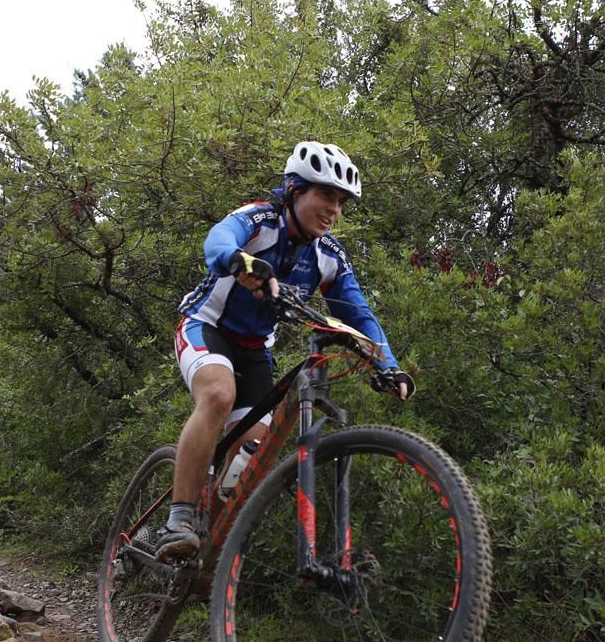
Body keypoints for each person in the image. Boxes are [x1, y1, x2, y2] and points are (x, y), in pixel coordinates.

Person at [158, 141, 414, 560]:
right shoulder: (260, 220)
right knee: (219, 395)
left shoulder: (328, 256)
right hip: (205, 328)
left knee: (252, 458)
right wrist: (240, 261)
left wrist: (387, 364)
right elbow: (219, 239)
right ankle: (179, 518)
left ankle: (208, 554)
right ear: (295, 191)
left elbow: (359, 314)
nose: (334, 209)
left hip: (255, 350)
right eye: (326, 195)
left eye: (341, 201)